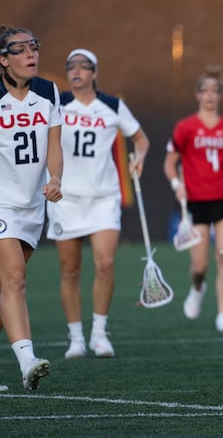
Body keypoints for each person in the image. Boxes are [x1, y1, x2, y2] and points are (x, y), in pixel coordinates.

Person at [46, 48, 149, 359]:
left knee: (104, 264)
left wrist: (139, 158)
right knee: (71, 269)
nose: (76, 71)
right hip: (65, 197)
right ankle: (75, 338)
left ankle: (99, 334)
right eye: (71, 67)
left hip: (105, 196)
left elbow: (140, 138)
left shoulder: (112, 105)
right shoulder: (56, 104)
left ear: (94, 72)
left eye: (83, 66)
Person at [0, 25, 63, 390]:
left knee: (6, 289)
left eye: (34, 46)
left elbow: (54, 146)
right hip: (3, 203)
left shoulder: (48, 90)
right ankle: (28, 361)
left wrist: (55, 179)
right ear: (3, 59)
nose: (30, 54)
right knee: (14, 281)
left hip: (32, 207)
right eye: (20, 49)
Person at [164, 65, 223, 332]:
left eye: (215, 91)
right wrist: (177, 184)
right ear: (197, 95)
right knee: (199, 265)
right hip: (196, 201)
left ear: (220, 96)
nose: (210, 96)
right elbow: (170, 163)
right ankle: (198, 288)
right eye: (205, 91)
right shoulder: (185, 127)